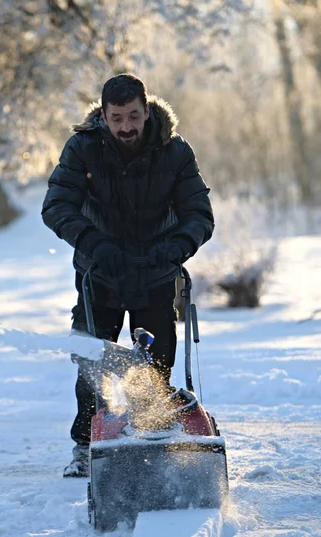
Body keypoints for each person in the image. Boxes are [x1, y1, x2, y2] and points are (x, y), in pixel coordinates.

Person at [42, 73, 214, 477]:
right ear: (103, 115)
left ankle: (151, 440)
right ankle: (86, 446)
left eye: (133, 116)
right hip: (99, 275)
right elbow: (56, 205)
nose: (126, 126)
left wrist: (175, 249)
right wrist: (93, 244)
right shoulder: (83, 149)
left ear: (147, 109)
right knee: (92, 365)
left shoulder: (174, 152)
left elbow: (199, 214)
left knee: (154, 369)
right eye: (116, 117)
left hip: (156, 275)